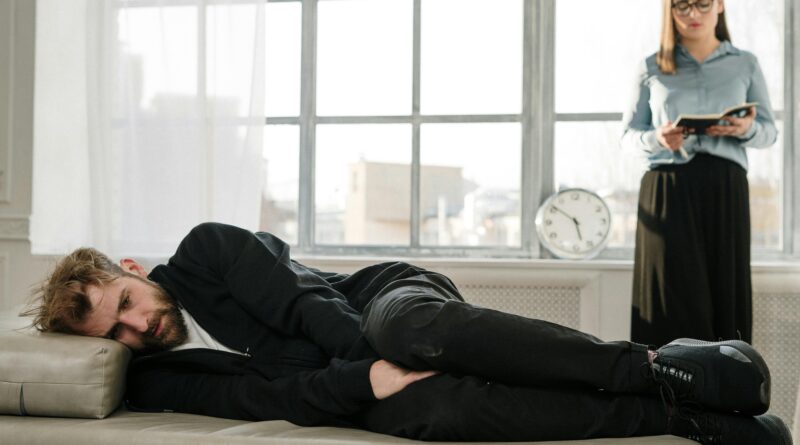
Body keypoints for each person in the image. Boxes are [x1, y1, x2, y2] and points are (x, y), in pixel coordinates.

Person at [23, 222, 792, 444]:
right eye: (116, 331)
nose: (138, 324)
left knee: (418, 331)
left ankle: (657, 366)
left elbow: (307, 309)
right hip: (357, 381)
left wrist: (371, 361)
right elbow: (269, 395)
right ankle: (675, 417)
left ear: (131, 267)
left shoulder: (206, 252)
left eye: (126, 299)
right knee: (438, 412)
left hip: (379, 303)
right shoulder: (157, 373)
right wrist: (365, 386)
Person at [621, 0, 778, 348]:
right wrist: (657, 137)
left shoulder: (745, 63)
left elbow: (769, 132)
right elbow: (628, 138)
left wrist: (744, 129)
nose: (692, 14)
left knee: (725, 294)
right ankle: (662, 397)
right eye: (682, 6)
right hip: (666, 187)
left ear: (720, 6)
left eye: (702, 4)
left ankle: (724, 397)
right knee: (670, 300)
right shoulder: (651, 66)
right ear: (670, 11)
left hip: (726, 188)